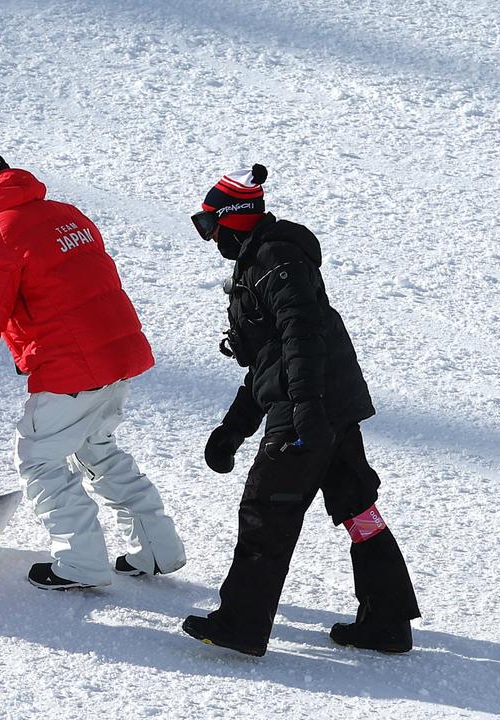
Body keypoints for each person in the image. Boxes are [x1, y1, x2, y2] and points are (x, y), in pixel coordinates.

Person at [180, 165, 421, 657]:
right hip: (328, 404)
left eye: (211, 227)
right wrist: (233, 429)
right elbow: (269, 359)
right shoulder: (263, 261)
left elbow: (300, 335)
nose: (210, 240)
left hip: (309, 407)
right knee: (358, 509)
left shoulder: (274, 260)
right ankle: (387, 620)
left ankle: (241, 624)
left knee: (266, 511)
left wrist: (306, 408)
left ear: (234, 219)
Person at [0, 146, 186, 590]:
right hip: (115, 358)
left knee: (39, 460)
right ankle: (157, 548)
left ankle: (81, 563)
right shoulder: (64, 212)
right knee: (98, 449)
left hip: (71, 365)